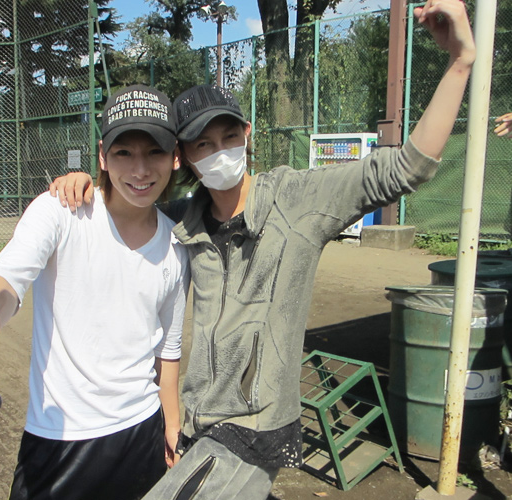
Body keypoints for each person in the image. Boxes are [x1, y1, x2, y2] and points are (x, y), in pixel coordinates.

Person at [50, 1, 476, 497]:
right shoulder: (184, 220)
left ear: (247, 134)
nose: (220, 152)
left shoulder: (297, 200)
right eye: (203, 145)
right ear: (184, 156)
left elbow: (407, 168)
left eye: (229, 136)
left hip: (255, 424)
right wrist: (87, 184)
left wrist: (460, 63)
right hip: (199, 418)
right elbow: (129, 201)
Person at [0, 85, 190, 500]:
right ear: (102, 156)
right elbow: (8, 277)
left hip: (143, 431)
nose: (140, 169)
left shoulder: (177, 247)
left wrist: (172, 424)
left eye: (155, 152)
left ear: (175, 156)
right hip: (60, 438)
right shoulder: (61, 210)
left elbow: (169, 349)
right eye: (123, 152)